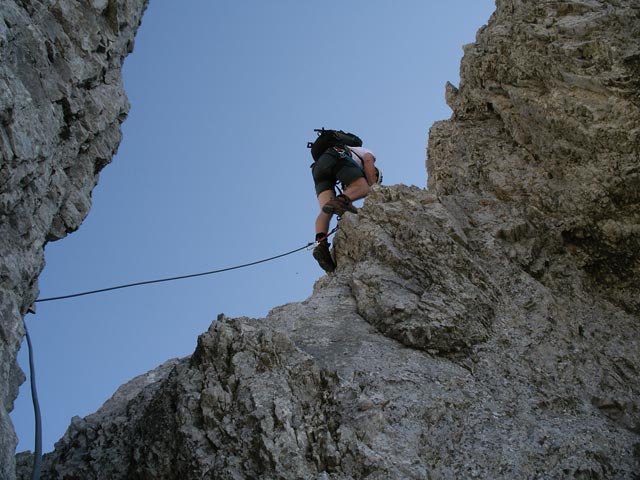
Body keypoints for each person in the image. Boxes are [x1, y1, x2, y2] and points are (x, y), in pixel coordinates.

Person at [311, 144, 378, 272]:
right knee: (363, 188)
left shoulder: (349, 175)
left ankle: (321, 245)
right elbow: (369, 161)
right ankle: (338, 202)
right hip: (335, 156)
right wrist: (374, 187)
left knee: (326, 210)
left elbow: (345, 203)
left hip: (318, 169)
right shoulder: (365, 153)